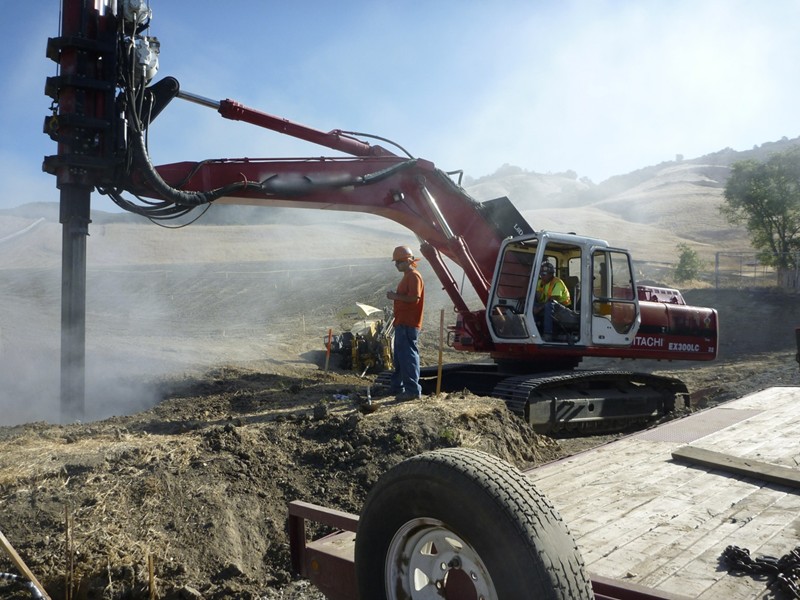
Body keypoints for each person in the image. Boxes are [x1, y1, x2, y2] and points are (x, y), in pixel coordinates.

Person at [386, 245, 425, 400]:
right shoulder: (408, 276)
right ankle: (397, 388)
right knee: (400, 357)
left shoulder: (414, 276)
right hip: (402, 323)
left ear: (408, 260)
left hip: (409, 323)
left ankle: (413, 391)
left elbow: (415, 298)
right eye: (395, 262)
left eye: (399, 262)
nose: (396, 265)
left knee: (408, 357)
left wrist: (395, 297)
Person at [533, 261, 570, 339]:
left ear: (550, 274)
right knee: (530, 304)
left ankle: (547, 333)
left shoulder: (557, 283)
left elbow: (552, 300)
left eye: (544, 274)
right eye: (541, 274)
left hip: (563, 307)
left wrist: (538, 308)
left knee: (548, 305)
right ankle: (534, 329)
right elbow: (537, 297)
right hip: (546, 304)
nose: (541, 276)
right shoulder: (541, 282)